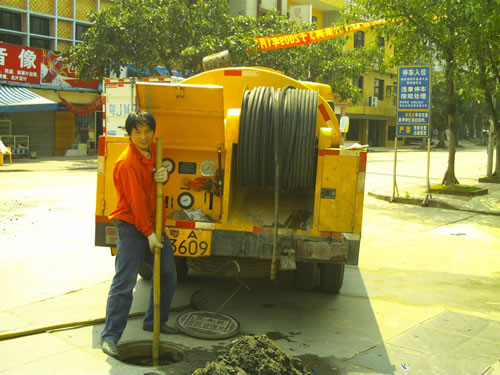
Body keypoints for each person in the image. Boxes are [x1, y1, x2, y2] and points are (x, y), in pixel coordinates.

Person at [101, 111, 177, 358]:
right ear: (129, 134)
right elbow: (136, 203)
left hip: (152, 224)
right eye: (138, 132)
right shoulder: (126, 162)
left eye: (147, 131)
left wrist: (166, 173)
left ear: (153, 132)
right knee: (125, 281)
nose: (143, 137)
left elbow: (159, 177)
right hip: (132, 225)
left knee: (167, 273)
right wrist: (148, 233)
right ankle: (110, 337)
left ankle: (155, 321)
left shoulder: (153, 150)